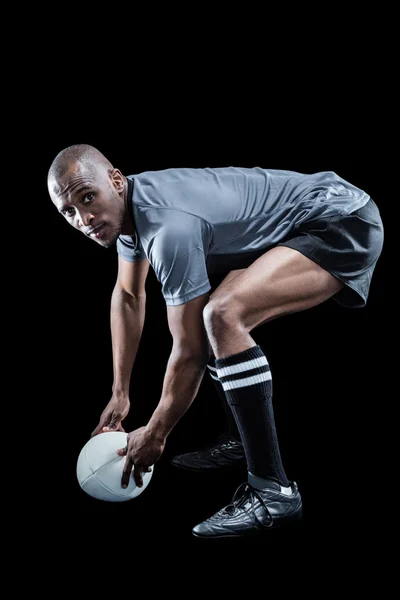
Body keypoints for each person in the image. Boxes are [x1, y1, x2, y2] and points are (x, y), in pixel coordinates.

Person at [48, 144, 384, 539]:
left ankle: (274, 491)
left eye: (88, 198)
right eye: (68, 211)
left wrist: (156, 433)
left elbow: (188, 352)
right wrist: (120, 393)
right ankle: (243, 438)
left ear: (116, 181)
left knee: (221, 315)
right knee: (209, 314)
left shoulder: (167, 227)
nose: (84, 218)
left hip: (341, 219)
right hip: (314, 215)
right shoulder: (128, 213)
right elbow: (128, 296)